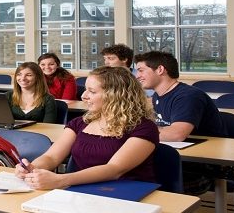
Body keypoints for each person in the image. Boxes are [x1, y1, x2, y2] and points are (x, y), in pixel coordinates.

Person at [15, 66, 158, 189]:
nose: (84, 96)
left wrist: (60, 180)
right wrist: (32, 168)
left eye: (92, 91)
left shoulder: (144, 128)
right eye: (85, 90)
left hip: (126, 194)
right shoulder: (79, 123)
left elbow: (114, 170)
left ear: (116, 96)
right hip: (82, 189)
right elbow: (51, 157)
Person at [134, 50, 229, 194]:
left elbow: (176, 135)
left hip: (202, 167)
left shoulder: (188, 96)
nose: (137, 76)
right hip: (177, 159)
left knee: (138, 180)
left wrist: (135, 132)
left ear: (160, 69)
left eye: (141, 70)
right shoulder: (157, 96)